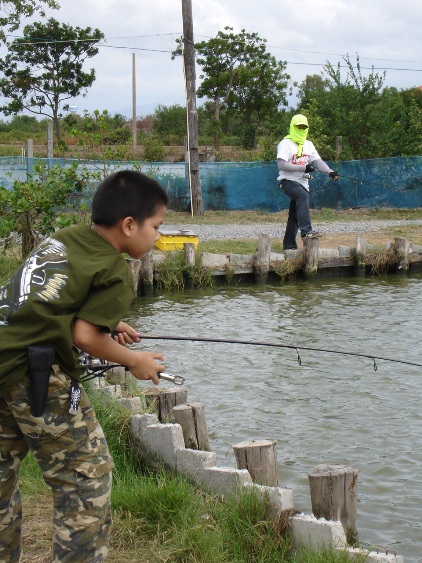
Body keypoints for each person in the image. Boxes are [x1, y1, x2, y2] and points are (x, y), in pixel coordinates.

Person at [0, 170, 169, 562]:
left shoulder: (65, 238)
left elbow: (49, 296)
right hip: (33, 373)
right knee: (85, 480)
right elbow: (85, 337)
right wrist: (134, 360)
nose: (159, 236)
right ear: (129, 225)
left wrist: (109, 320)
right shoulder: (115, 271)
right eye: (157, 226)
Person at [277, 114, 338, 250]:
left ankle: (289, 246)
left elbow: (318, 162)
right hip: (287, 181)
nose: (301, 129)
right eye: (299, 126)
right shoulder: (285, 144)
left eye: (304, 127)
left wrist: (330, 171)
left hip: (303, 183)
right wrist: (303, 167)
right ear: (293, 126)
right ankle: (306, 232)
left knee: (294, 216)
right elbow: (281, 165)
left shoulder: (308, 145)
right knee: (302, 196)